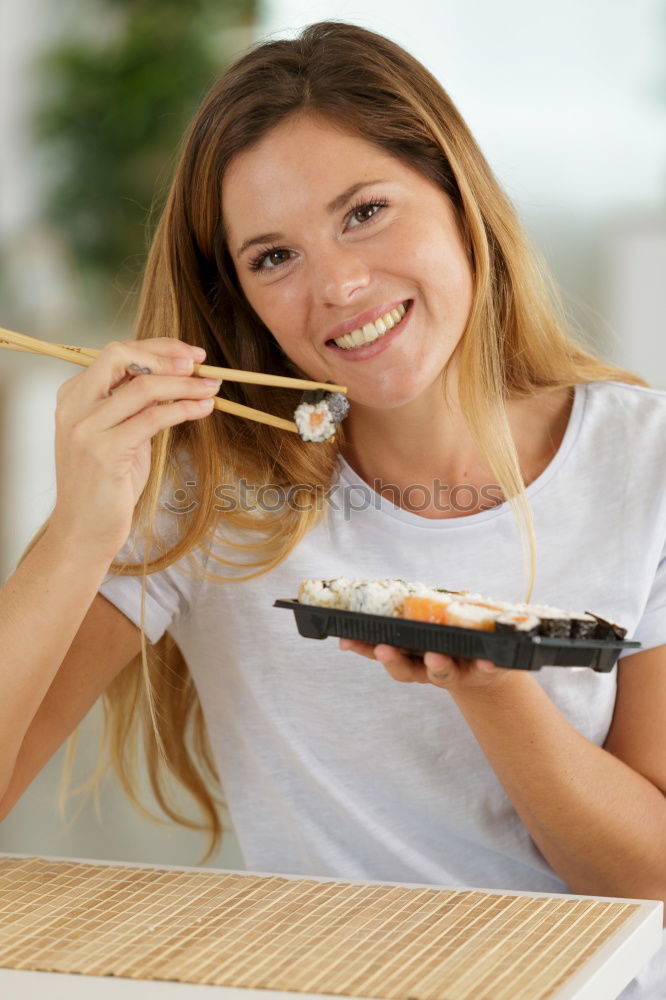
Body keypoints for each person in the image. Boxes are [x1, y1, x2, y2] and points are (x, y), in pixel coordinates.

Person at [1, 20, 665, 998]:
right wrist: (79, 531)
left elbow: (647, 880)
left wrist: (492, 684)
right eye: (274, 257)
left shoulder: (642, 462)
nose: (339, 285)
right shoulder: (201, 486)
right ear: (242, 300)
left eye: (364, 212)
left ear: (457, 192)